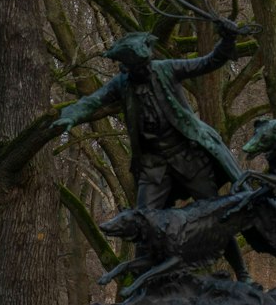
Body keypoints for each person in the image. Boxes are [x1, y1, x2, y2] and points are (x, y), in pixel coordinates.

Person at [54, 25, 246, 211]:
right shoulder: (121, 84)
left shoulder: (167, 69)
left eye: (146, 63)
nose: (145, 68)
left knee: (213, 210)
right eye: (139, 67)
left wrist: (227, 40)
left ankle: (228, 244)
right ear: (128, 68)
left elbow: (208, 62)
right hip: (154, 167)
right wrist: (70, 115)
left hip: (187, 157)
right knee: (144, 221)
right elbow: (93, 101)